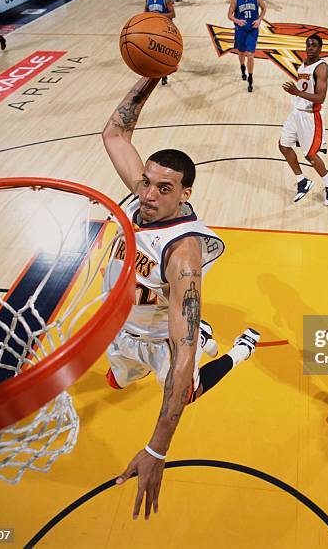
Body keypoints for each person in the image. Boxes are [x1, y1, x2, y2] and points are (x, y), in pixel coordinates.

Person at [102, 77, 261, 518]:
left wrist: (157, 450)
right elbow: (115, 133)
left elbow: (183, 352)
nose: (148, 194)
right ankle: (144, 358)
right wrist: (152, 71)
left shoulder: (182, 254)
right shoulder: (145, 197)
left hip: (161, 341)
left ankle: (238, 353)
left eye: (164, 188)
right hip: (121, 330)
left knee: (183, 388)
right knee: (117, 380)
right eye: (145, 181)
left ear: (185, 194)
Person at [279, 34, 328, 207]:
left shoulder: (322, 68)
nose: (310, 48)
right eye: (308, 45)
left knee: (310, 154)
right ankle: (302, 181)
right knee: (283, 145)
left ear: (320, 48)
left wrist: (296, 93)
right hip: (296, 112)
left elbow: (321, 97)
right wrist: (296, 94)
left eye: (313, 46)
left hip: (310, 116)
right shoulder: (303, 64)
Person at [228, 0, 266, 92]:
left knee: (250, 55)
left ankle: (250, 78)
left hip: (252, 30)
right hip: (240, 30)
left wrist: (259, 19)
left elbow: (264, 8)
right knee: (241, 53)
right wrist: (237, 21)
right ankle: (242, 67)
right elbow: (229, 15)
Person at [144, 0, 176, 85]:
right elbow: (145, 13)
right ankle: (154, 71)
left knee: (162, 54)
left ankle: (164, 75)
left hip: (164, 30)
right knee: (151, 52)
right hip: (152, 29)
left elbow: (173, 14)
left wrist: (159, 15)